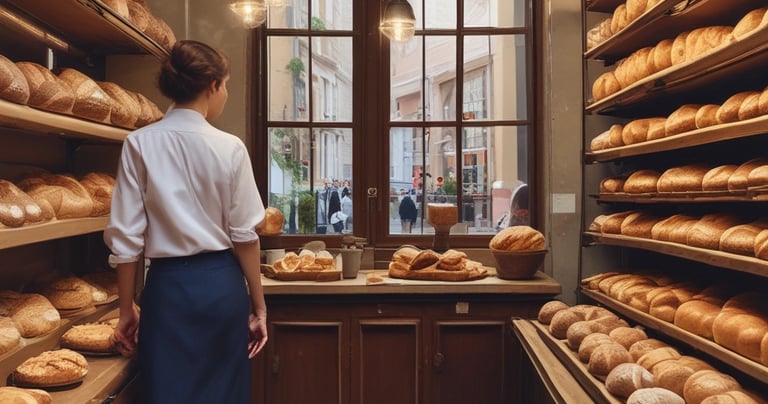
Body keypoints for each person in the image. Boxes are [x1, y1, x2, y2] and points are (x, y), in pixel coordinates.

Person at [104, 40, 268, 404]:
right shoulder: (230, 147)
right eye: (225, 84)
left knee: (168, 393)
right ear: (212, 86)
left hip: (167, 291)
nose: (224, 93)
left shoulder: (139, 144)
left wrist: (126, 310)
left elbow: (127, 242)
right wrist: (258, 306)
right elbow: (245, 235)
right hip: (222, 288)